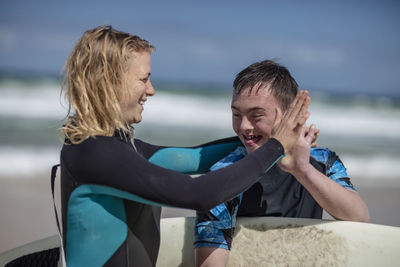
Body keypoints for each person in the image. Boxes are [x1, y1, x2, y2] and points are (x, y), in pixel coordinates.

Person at [58, 26, 312, 267]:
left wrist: (267, 135)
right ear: (109, 81)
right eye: (143, 79)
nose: (151, 90)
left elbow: (194, 158)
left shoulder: (120, 149)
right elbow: (197, 194)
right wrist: (276, 146)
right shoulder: (96, 154)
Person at [194, 60, 370, 267]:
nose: (243, 126)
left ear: (289, 115)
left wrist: (302, 170)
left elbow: (359, 217)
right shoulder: (224, 172)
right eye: (236, 114)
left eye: (256, 115)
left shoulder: (322, 160)